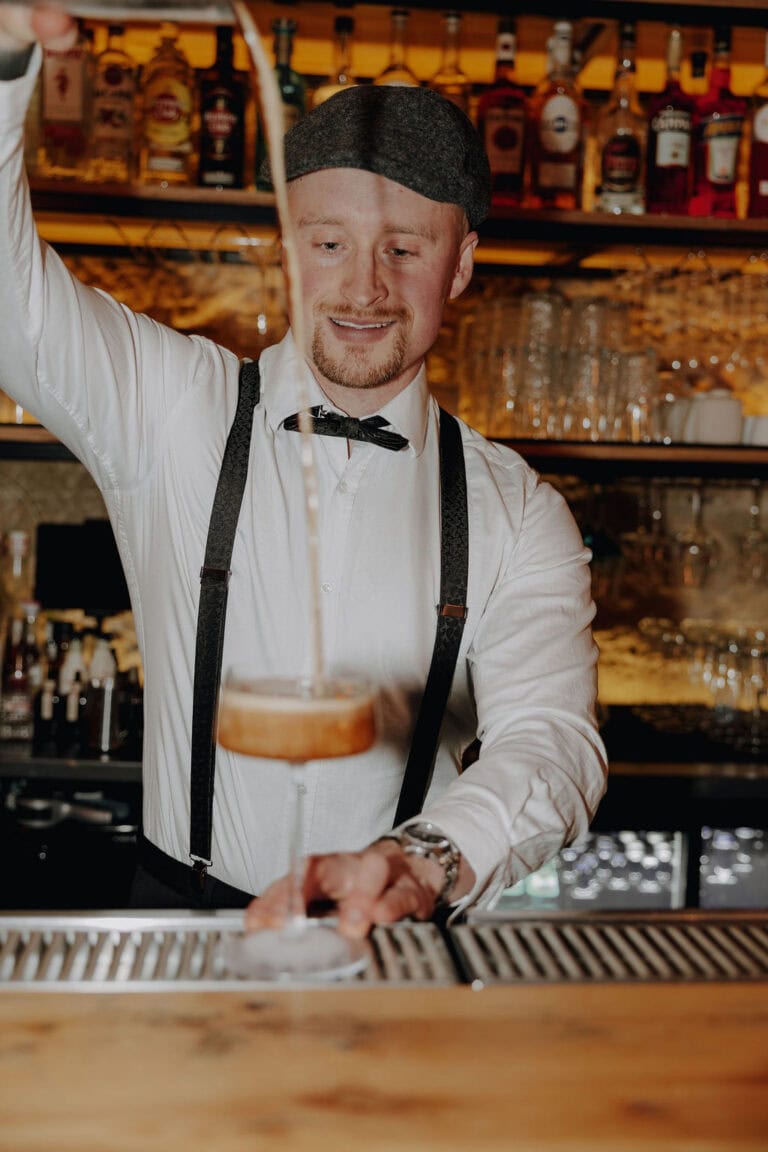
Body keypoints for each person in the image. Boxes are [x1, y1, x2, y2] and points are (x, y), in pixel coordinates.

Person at [0, 6, 607, 938]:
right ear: (287, 249)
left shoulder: (519, 511)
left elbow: (553, 741)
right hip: (182, 928)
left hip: (395, 940)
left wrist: (423, 861)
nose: (365, 288)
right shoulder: (171, 408)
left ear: (459, 265)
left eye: (404, 249)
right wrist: (6, 59)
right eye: (330, 244)